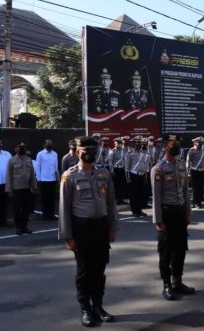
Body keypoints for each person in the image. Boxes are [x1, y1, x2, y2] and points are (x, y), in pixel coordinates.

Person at [59, 136, 118, 327]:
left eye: (94, 150)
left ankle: (98, 307)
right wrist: (68, 236)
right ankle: (85, 309)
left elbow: (111, 203)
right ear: (77, 152)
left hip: (101, 227)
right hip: (81, 228)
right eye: (86, 150)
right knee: (84, 271)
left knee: (100, 270)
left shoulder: (104, 174)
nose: (90, 153)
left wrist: (112, 227)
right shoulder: (69, 176)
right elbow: (64, 208)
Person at [151, 133, 196, 300]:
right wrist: (158, 220)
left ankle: (178, 281)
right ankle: (166, 285)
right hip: (167, 213)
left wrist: (188, 213)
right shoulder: (158, 169)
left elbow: (185, 191)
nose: (175, 145)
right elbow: (156, 197)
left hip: (179, 213)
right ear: (165, 146)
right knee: (166, 251)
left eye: (177, 142)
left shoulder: (181, 165)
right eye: (172, 143)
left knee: (180, 249)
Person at [6, 143, 37, 235]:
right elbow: (8, 176)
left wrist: (34, 187)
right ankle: (18, 227)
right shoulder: (11, 160)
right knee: (17, 209)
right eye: (20, 148)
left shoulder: (29, 160)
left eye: (23, 148)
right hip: (16, 189)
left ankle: (25, 226)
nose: (21, 150)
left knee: (26, 209)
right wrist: (9, 190)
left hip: (27, 188)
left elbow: (32, 174)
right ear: (16, 149)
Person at [125, 137, 150, 217]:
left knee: (141, 194)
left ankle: (139, 210)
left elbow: (145, 166)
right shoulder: (130, 153)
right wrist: (128, 178)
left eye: (140, 143)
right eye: (137, 143)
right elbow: (126, 167)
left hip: (142, 175)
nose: (139, 145)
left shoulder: (144, 153)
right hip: (133, 175)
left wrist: (146, 176)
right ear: (134, 144)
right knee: (134, 195)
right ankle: (134, 211)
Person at [35, 139, 59, 221]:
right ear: (44, 145)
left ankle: (51, 214)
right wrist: (38, 178)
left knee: (52, 198)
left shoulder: (55, 154)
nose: (49, 145)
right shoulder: (40, 154)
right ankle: (45, 215)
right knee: (45, 198)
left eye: (50, 143)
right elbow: (38, 167)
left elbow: (56, 168)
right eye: (48, 143)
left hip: (52, 179)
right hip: (43, 179)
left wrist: (57, 179)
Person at [186, 137, 204, 208]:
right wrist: (188, 172)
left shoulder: (203, 150)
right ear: (195, 143)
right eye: (199, 143)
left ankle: (199, 202)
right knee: (195, 188)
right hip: (194, 171)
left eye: (201, 143)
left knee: (201, 187)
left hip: (202, 171)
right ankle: (194, 202)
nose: (200, 144)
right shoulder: (191, 151)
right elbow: (188, 162)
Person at [107, 137, 127, 204]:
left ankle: (121, 199)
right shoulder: (112, 151)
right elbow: (110, 162)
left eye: (119, 143)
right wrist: (112, 171)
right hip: (116, 169)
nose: (117, 144)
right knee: (116, 185)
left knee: (122, 185)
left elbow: (125, 160)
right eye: (116, 142)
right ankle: (117, 199)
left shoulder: (123, 151)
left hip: (122, 169)